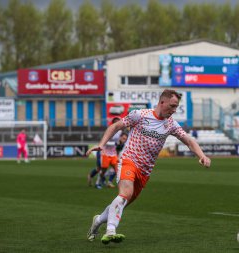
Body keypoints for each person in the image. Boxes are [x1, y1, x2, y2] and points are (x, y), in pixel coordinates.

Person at [86, 89, 211, 244]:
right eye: (172, 106)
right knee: (125, 193)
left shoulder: (171, 124)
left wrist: (202, 155)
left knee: (122, 202)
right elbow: (116, 127)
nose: (174, 110)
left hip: (145, 171)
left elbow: (189, 141)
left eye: (176, 107)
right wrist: (101, 145)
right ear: (162, 102)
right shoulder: (140, 115)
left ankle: (98, 220)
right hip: (129, 160)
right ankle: (111, 230)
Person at [87, 117, 123, 189]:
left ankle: (109, 182)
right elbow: (105, 142)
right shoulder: (109, 130)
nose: (117, 124)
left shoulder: (120, 132)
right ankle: (96, 181)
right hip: (104, 153)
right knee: (100, 169)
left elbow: (118, 142)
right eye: (116, 122)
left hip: (113, 154)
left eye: (118, 122)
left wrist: (119, 144)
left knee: (118, 170)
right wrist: (116, 144)